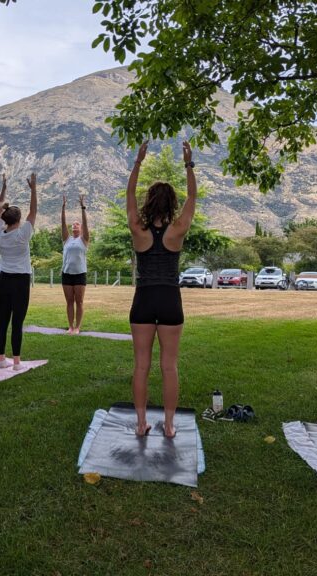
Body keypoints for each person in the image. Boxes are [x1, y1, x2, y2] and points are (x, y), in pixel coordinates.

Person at [127, 141, 198, 439]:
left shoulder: (137, 228)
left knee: (141, 366)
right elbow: (193, 196)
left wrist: (138, 163)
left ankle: (141, 423)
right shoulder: (178, 227)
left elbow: (129, 194)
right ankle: (169, 426)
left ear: (149, 202)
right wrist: (188, 164)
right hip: (170, 300)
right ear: (170, 204)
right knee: (169, 366)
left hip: (143, 300)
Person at [0, 172, 37, 370]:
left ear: (5, 220)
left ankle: (1, 360)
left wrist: (3, 188)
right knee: (17, 322)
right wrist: (33, 189)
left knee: (3, 319)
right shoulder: (23, 235)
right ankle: (17, 362)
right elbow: (34, 211)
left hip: (3, 280)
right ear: (19, 219)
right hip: (20, 281)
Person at [60, 192, 90, 334]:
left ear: (82, 228)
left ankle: (77, 327)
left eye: (78, 224)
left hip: (80, 274)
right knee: (69, 302)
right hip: (66, 274)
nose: (75, 225)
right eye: (73, 224)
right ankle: (70, 327)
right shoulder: (67, 239)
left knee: (79, 302)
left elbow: (86, 223)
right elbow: (62, 224)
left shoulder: (84, 240)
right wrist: (63, 208)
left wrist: (83, 208)